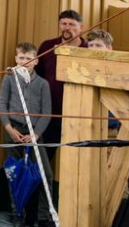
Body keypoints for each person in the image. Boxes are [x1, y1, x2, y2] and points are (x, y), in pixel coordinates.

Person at [0, 42, 53, 227]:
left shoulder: (42, 84)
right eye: (21, 58)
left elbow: (47, 112)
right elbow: (2, 104)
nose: (24, 61)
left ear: (35, 61)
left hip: (34, 134)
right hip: (13, 130)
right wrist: (9, 128)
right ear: (16, 59)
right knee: (15, 174)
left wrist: (36, 134)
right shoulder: (10, 79)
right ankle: (17, 213)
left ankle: (44, 216)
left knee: (45, 173)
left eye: (28, 58)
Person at [35, 10, 86, 152]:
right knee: (45, 151)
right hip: (49, 111)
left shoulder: (87, 49)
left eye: (71, 24)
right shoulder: (47, 46)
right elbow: (37, 76)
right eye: (63, 24)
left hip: (78, 113)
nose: (67, 27)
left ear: (81, 27)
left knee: (74, 153)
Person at [85, 29, 120, 133]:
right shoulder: (83, 68)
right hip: (85, 120)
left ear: (109, 48)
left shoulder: (116, 69)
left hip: (109, 122)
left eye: (98, 45)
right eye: (90, 45)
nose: (93, 49)